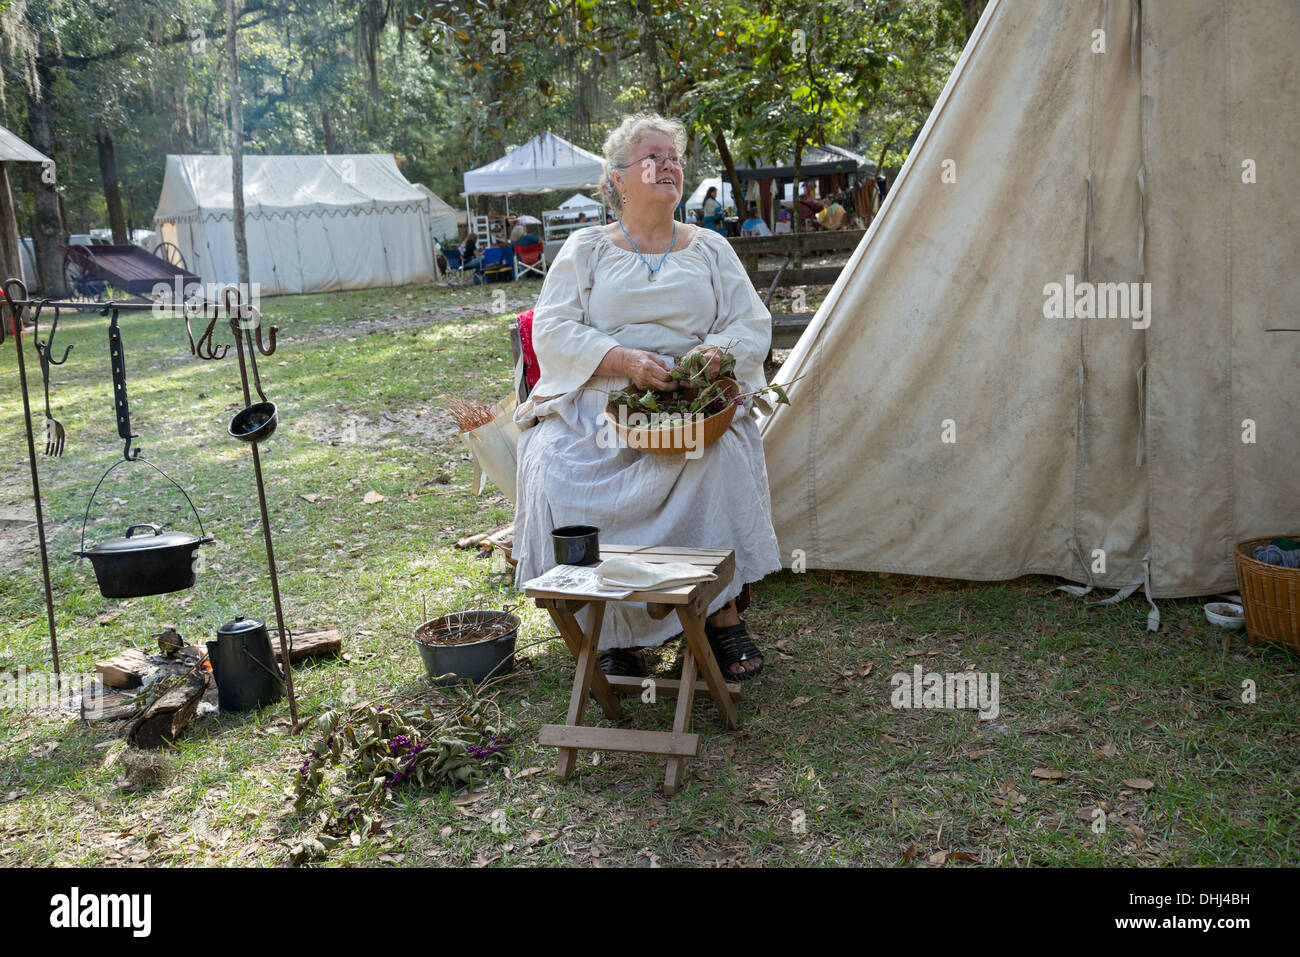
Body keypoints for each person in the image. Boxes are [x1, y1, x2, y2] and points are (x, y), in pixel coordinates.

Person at [513, 112, 781, 681]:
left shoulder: (710, 248)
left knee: (716, 455)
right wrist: (624, 361)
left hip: (691, 398)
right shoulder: (585, 249)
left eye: (674, 157)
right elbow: (552, 328)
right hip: (600, 395)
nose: (668, 166)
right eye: (652, 157)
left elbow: (750, 323)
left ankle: (721, 618)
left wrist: (714, 354)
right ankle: (610, 631)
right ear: (617, 180)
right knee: (560, 464)